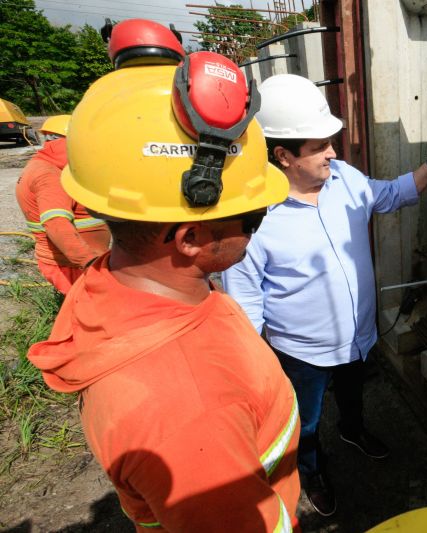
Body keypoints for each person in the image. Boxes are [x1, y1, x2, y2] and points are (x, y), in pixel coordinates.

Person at [27, 36, 300, 531]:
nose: (260, 227)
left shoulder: (115, 285)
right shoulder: (190, 411)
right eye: (254, 217)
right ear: (191, 237)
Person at [222, 73, 427, 517]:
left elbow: (390, 194)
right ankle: (310, 471)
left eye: (332, 141)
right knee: (302, 424)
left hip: (357, 338)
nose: (333, 152)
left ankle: (352, 428)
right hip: (301, 353)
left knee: (353, 394)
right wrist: (254, 372)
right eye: (320, 146)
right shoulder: (254, 219)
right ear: (283, 156)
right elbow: (244, 306)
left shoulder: (344, 178)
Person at [15, 114, 110, 293]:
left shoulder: (44, 165)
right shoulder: (50, 176)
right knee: (92, 313)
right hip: (73, 265)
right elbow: (56, 224)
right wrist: (89, 263)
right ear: (69, 142)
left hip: (74, 262)